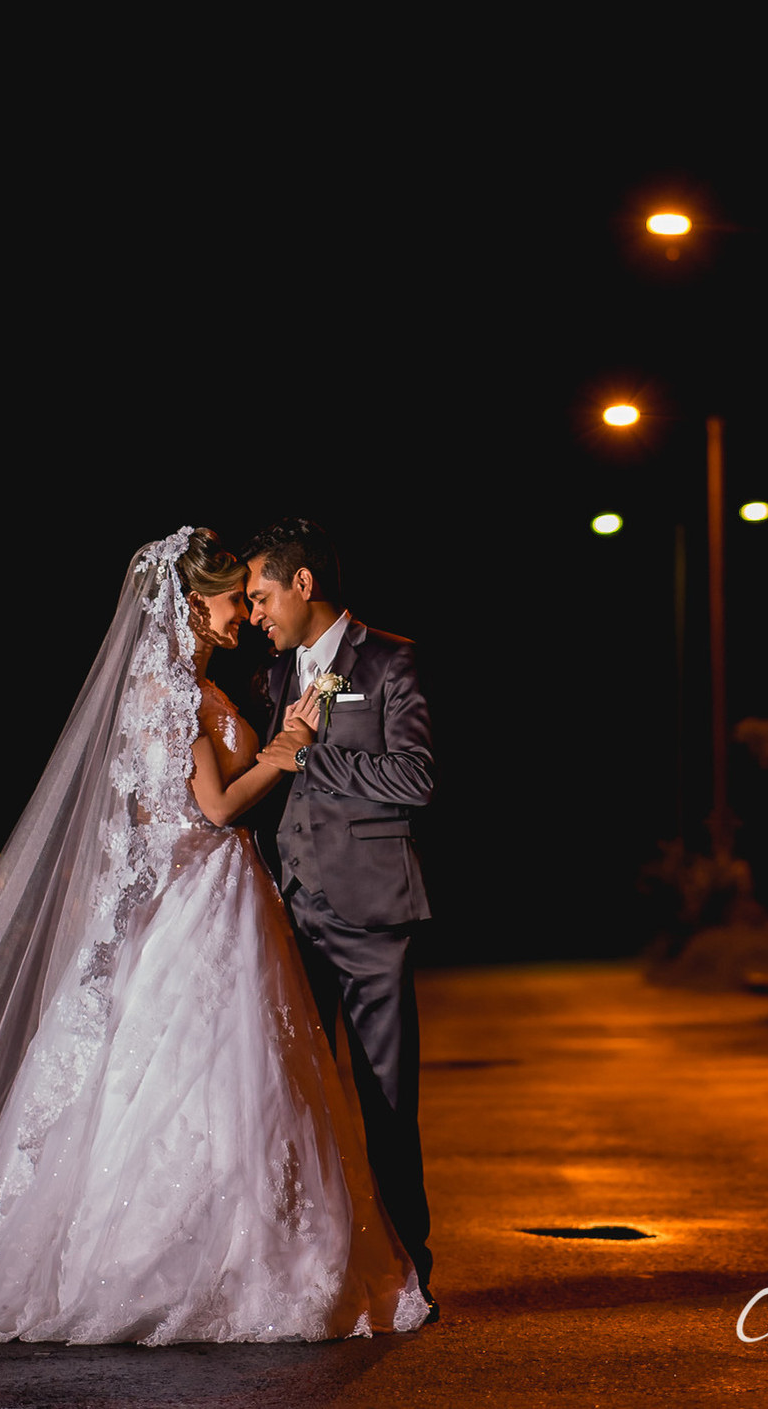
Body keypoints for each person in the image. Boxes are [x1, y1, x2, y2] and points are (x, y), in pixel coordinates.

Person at [0, 528, 429, 1355]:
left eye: (254, 595)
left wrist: (290, 758)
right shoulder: (176, 691)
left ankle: (304, 1251)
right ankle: (196, 1262)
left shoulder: (241, 680)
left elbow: (384, 777)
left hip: (264, 901)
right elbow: (211, 809)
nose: (249, 612)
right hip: (212, 901)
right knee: (213, 1083)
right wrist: (290, 749)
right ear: (192, 602)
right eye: (237, 596)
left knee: (283, 1089)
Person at [243, 518, 436, 1316]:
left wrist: (310, 753)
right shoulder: (269, 676)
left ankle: (412, 1275)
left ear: (304, 585)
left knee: (386, 1104)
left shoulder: (390, 659)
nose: (256, 613)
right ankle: (313, 1280)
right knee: (297, 1104)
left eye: (262, 596)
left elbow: (416, 776)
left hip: (368, 914)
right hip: (287, 913)